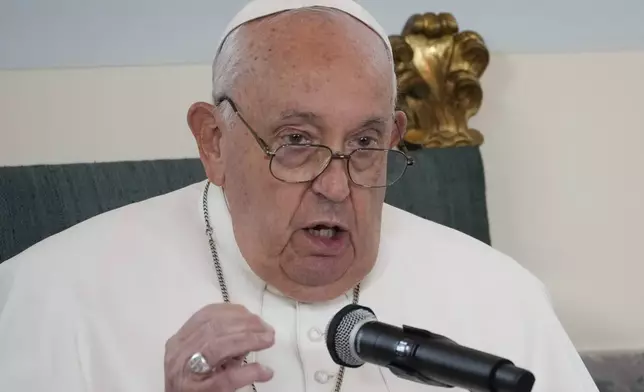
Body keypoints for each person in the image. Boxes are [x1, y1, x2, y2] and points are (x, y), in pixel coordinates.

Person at [0, 1, 599, 391]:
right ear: (213, 141)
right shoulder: (50, 295)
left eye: (365, 142)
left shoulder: (500, 295)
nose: (336, 186)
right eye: (296, 140)